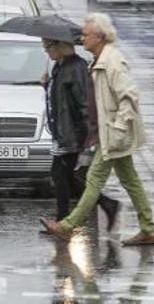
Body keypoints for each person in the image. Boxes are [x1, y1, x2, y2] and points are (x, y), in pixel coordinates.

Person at [41, 13, 154, 246]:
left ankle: (67, 226)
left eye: (85, 35)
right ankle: (148, 229)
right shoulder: (98, 61)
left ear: (100, 37)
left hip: (113, 135)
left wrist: (117, 126)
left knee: (94, 179)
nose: (81, 39)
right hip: (108, 134)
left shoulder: (112, 62)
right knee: (131, 181)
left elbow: (130, 96)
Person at [42, 38, 120, 226]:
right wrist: (46, 85)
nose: (47, 51)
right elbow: (59, 98)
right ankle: (106, 203)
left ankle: (63, 219)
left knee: (61, 174)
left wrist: (89, 135)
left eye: (48, 46)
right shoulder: (60, 66)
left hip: (73, 133)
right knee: (66, 175)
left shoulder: (75, 68)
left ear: (60, 45)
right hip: (63, 130)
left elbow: (85, 103)